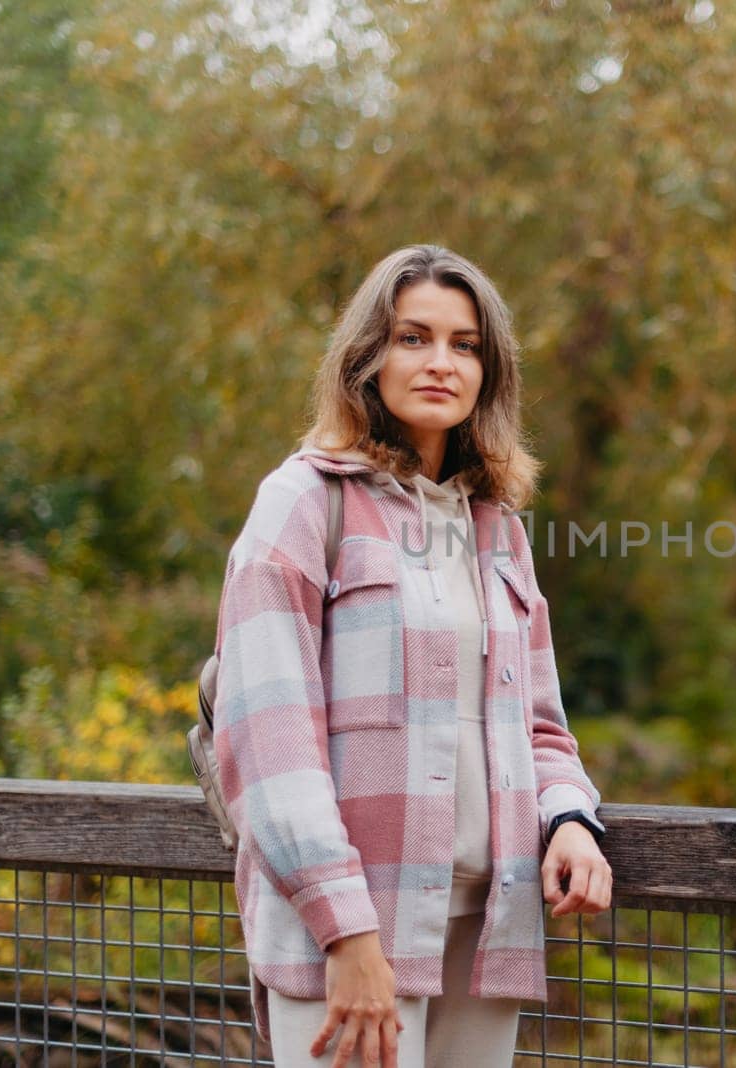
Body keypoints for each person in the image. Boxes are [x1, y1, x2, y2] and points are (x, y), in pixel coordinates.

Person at [210, 244, 612, 1068]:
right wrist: (346, 933)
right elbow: (270, 744)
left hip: (489, 929)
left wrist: (570, 817)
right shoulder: (301, 503)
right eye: (412, 338)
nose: (440, 363)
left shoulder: (497, 526)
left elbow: (540, 726)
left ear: (489, 373)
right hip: (355, 929)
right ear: (367, 358)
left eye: (465, 345)